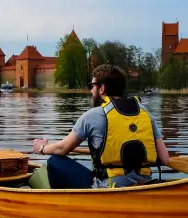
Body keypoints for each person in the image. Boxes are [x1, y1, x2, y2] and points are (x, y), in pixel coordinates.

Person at [31, 64, 170, 189]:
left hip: (109, 187)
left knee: (55, 161)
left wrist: (42, 148)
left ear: (102, 88)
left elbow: (62, 149)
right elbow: (164, 158)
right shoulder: (145, 114)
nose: (91, 91)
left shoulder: (93, 115)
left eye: (92, 86)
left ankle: (64, 206)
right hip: (144, 184)